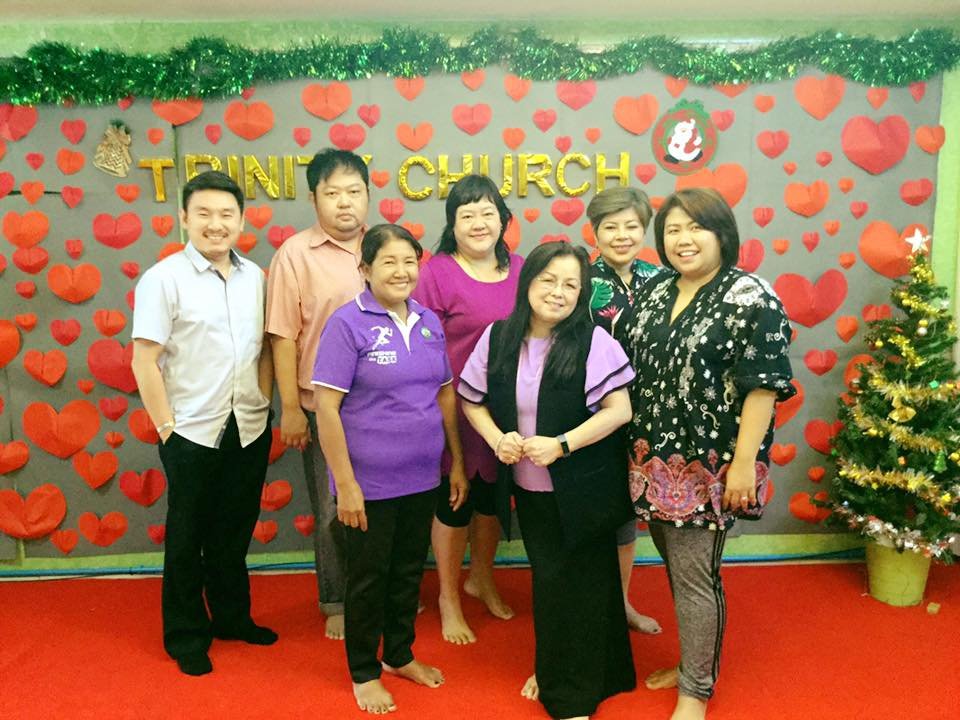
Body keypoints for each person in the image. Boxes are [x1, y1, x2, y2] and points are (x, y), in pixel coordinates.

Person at [624, 188, 795, 720]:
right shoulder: (654, 291)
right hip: (650, 461)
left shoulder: (751, 296)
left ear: (722, 233)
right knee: (677, 569)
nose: (683, 239)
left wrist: (742, 465)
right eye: (673, 229)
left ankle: (695, 690)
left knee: (697, 577)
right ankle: (690, 663)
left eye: (696, 227)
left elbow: (762, 387)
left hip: (712, 465)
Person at [459, 242, 636, 720]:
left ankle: (574, 691)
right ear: (528, 283)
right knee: (554, 584)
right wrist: (497, 439)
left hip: (587, 487)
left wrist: (562, 444)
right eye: (548, 281)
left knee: (587, 584)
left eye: (571, 285)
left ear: (582, 294)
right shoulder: (498, 337)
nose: (558, 292)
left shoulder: (594, 341)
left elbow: (620, 410)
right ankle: (559, 670)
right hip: (530, 488)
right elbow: (471, 399)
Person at [312, 224, 468, 714]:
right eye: (388, 262)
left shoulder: (427, 321)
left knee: (406, 573)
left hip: (422, 476)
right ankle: (364, 671)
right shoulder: (347, 324)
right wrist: (346, 485)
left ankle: (399, 655)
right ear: (365, 268)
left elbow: (444, 394)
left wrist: (456, 463)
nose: (401, 271)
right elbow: (327, 408)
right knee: (368, 578)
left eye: (409, 262)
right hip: (369, 484)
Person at [130, 170, 277, 676]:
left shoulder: (256, 277)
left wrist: (263, 401)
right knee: (187, 537)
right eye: (205, 214)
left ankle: (233, 618)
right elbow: (144, 361)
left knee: (234, 532)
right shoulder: (163, 279)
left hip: (249, 425)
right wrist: (166, 428)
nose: (216, 224)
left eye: (226, 214)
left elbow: (265, 349)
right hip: (190, 431)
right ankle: (187, 635)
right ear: (185, 219)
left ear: (241, 220)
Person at [412, 174, 523, 644]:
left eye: (487, 213)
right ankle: (449, 597)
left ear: (503, 219)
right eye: (467, 214)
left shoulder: (521, 270)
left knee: (493, 502)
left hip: (507, 411)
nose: (479, 223)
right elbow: (422, 346)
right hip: (452, 408)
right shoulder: (435, 274)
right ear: (452, 225)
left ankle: (482, 578)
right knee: (454, 503)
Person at [266, 148, 368, 640]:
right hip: (324, 406)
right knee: (333, 509)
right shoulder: (295, 254)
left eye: (354, 191)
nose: (344, 202)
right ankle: (338, 601)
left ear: (368, 194)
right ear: (314, 199)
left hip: (382, 405)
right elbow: (282, 335)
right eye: (333, 193)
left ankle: (380, 593)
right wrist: (289, 407)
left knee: (384, 504)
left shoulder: (385, 245)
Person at [586, 186, 662, 636]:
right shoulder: (581, 279)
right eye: (610, 227)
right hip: (594, 412)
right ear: (594, 232)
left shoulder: (663, 279)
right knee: (596, 510)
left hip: (650, 413)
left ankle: (621, 603)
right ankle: (588, 610)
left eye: (631, 226)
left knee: (627, 512)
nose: (621, 235)